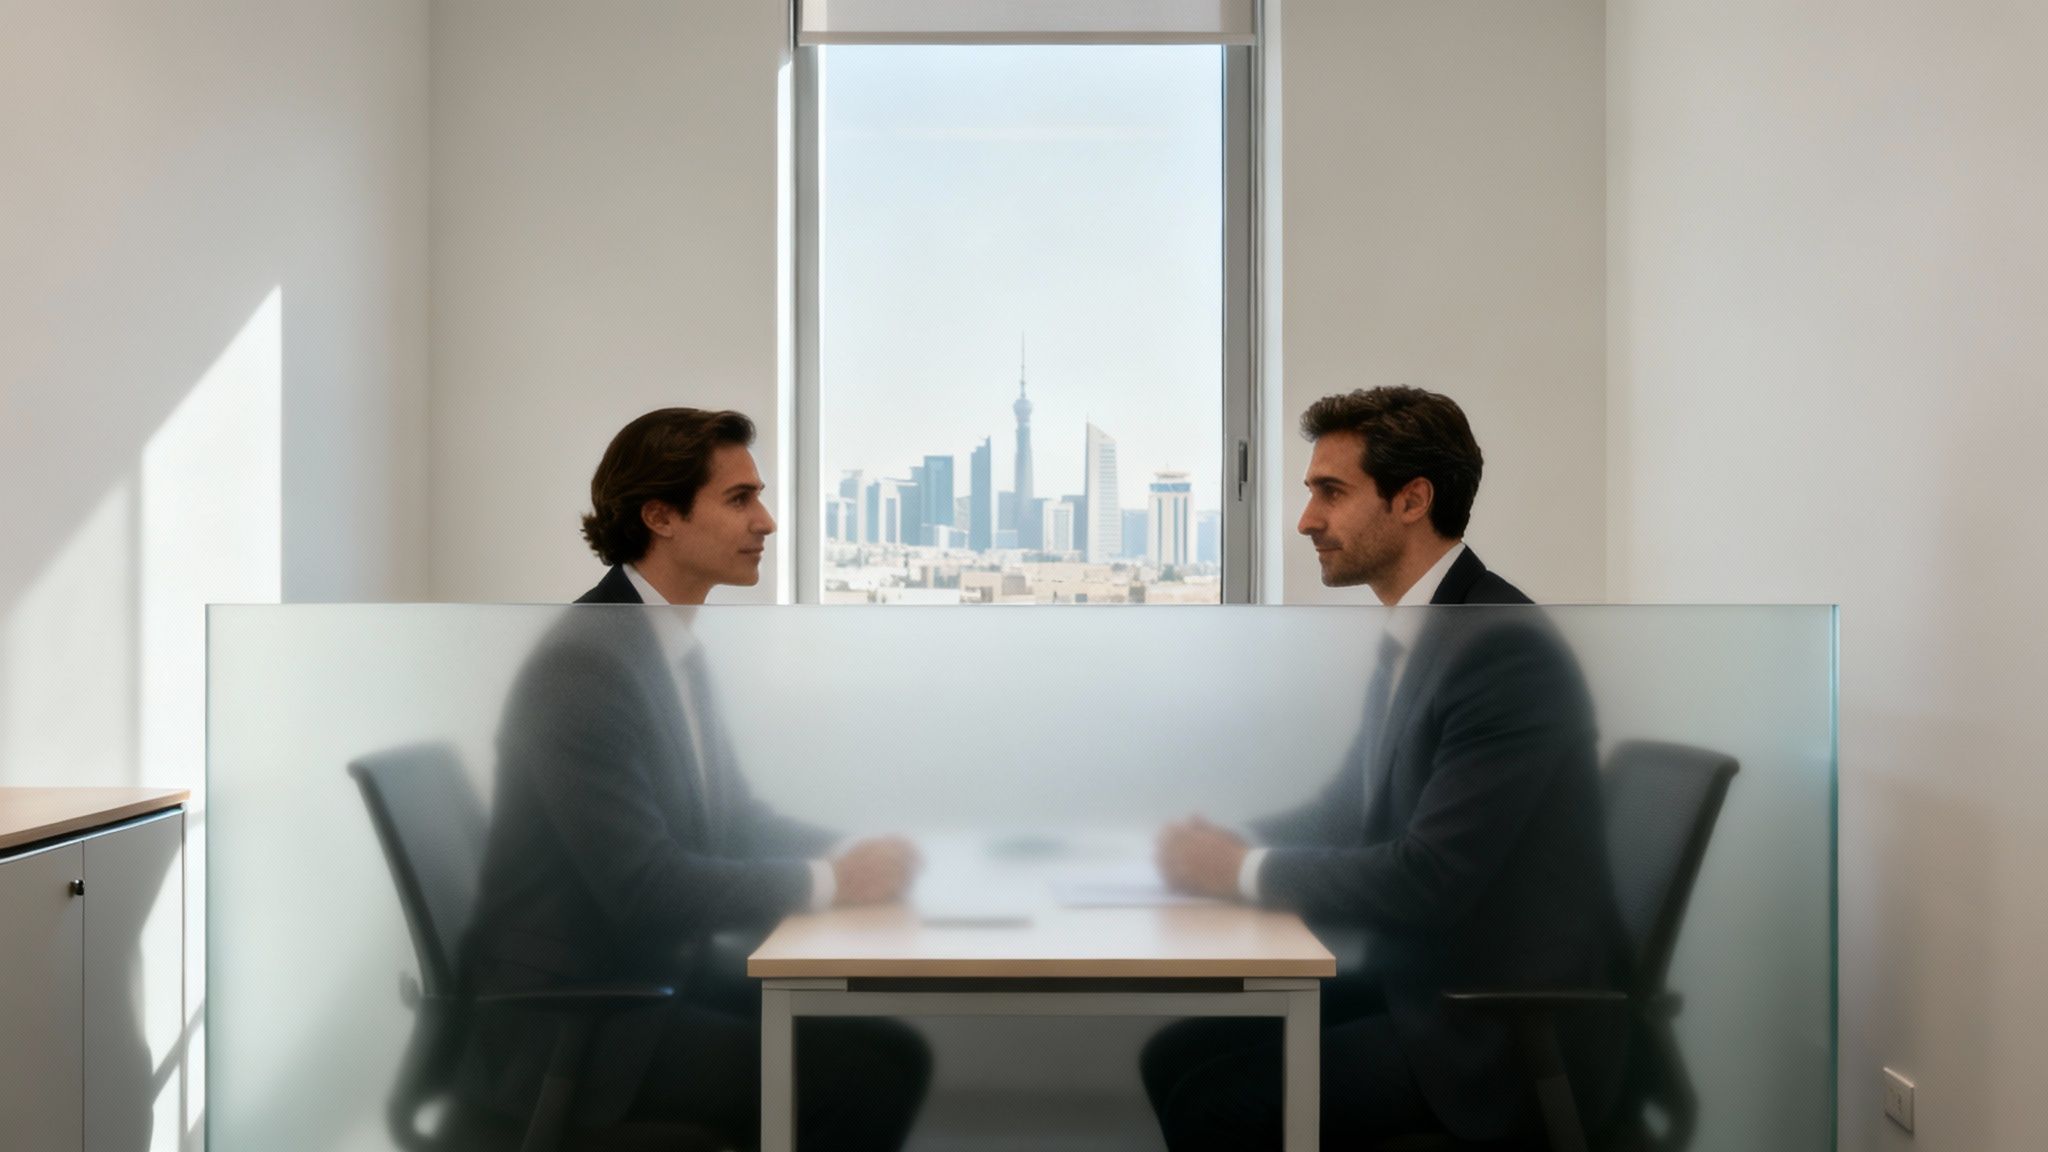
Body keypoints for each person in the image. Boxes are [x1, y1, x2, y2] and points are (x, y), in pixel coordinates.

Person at [1145, 386, 1626, 1148]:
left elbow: (1427, 879)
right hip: (1422, 984)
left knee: (1213, 1102)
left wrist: (1237, 870)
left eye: (1331, 493)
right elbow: (1348, 809)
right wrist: (1223, 848)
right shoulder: (1425, 631)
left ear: (1412, 500)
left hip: (1490, 1032)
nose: (1307, 520)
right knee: (1175, 1056)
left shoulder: (1501, 648)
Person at [460, 407, 929, 1150]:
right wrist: (834, 881)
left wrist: (859, 853)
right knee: (860, 1079)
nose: (765, 522)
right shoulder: (585, 665)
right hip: (578, 1022)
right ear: (661, 517)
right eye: (740, 499)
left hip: (651, 978)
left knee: (893, 1052)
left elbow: (732, 818)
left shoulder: (665, 644)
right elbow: (645, 887)